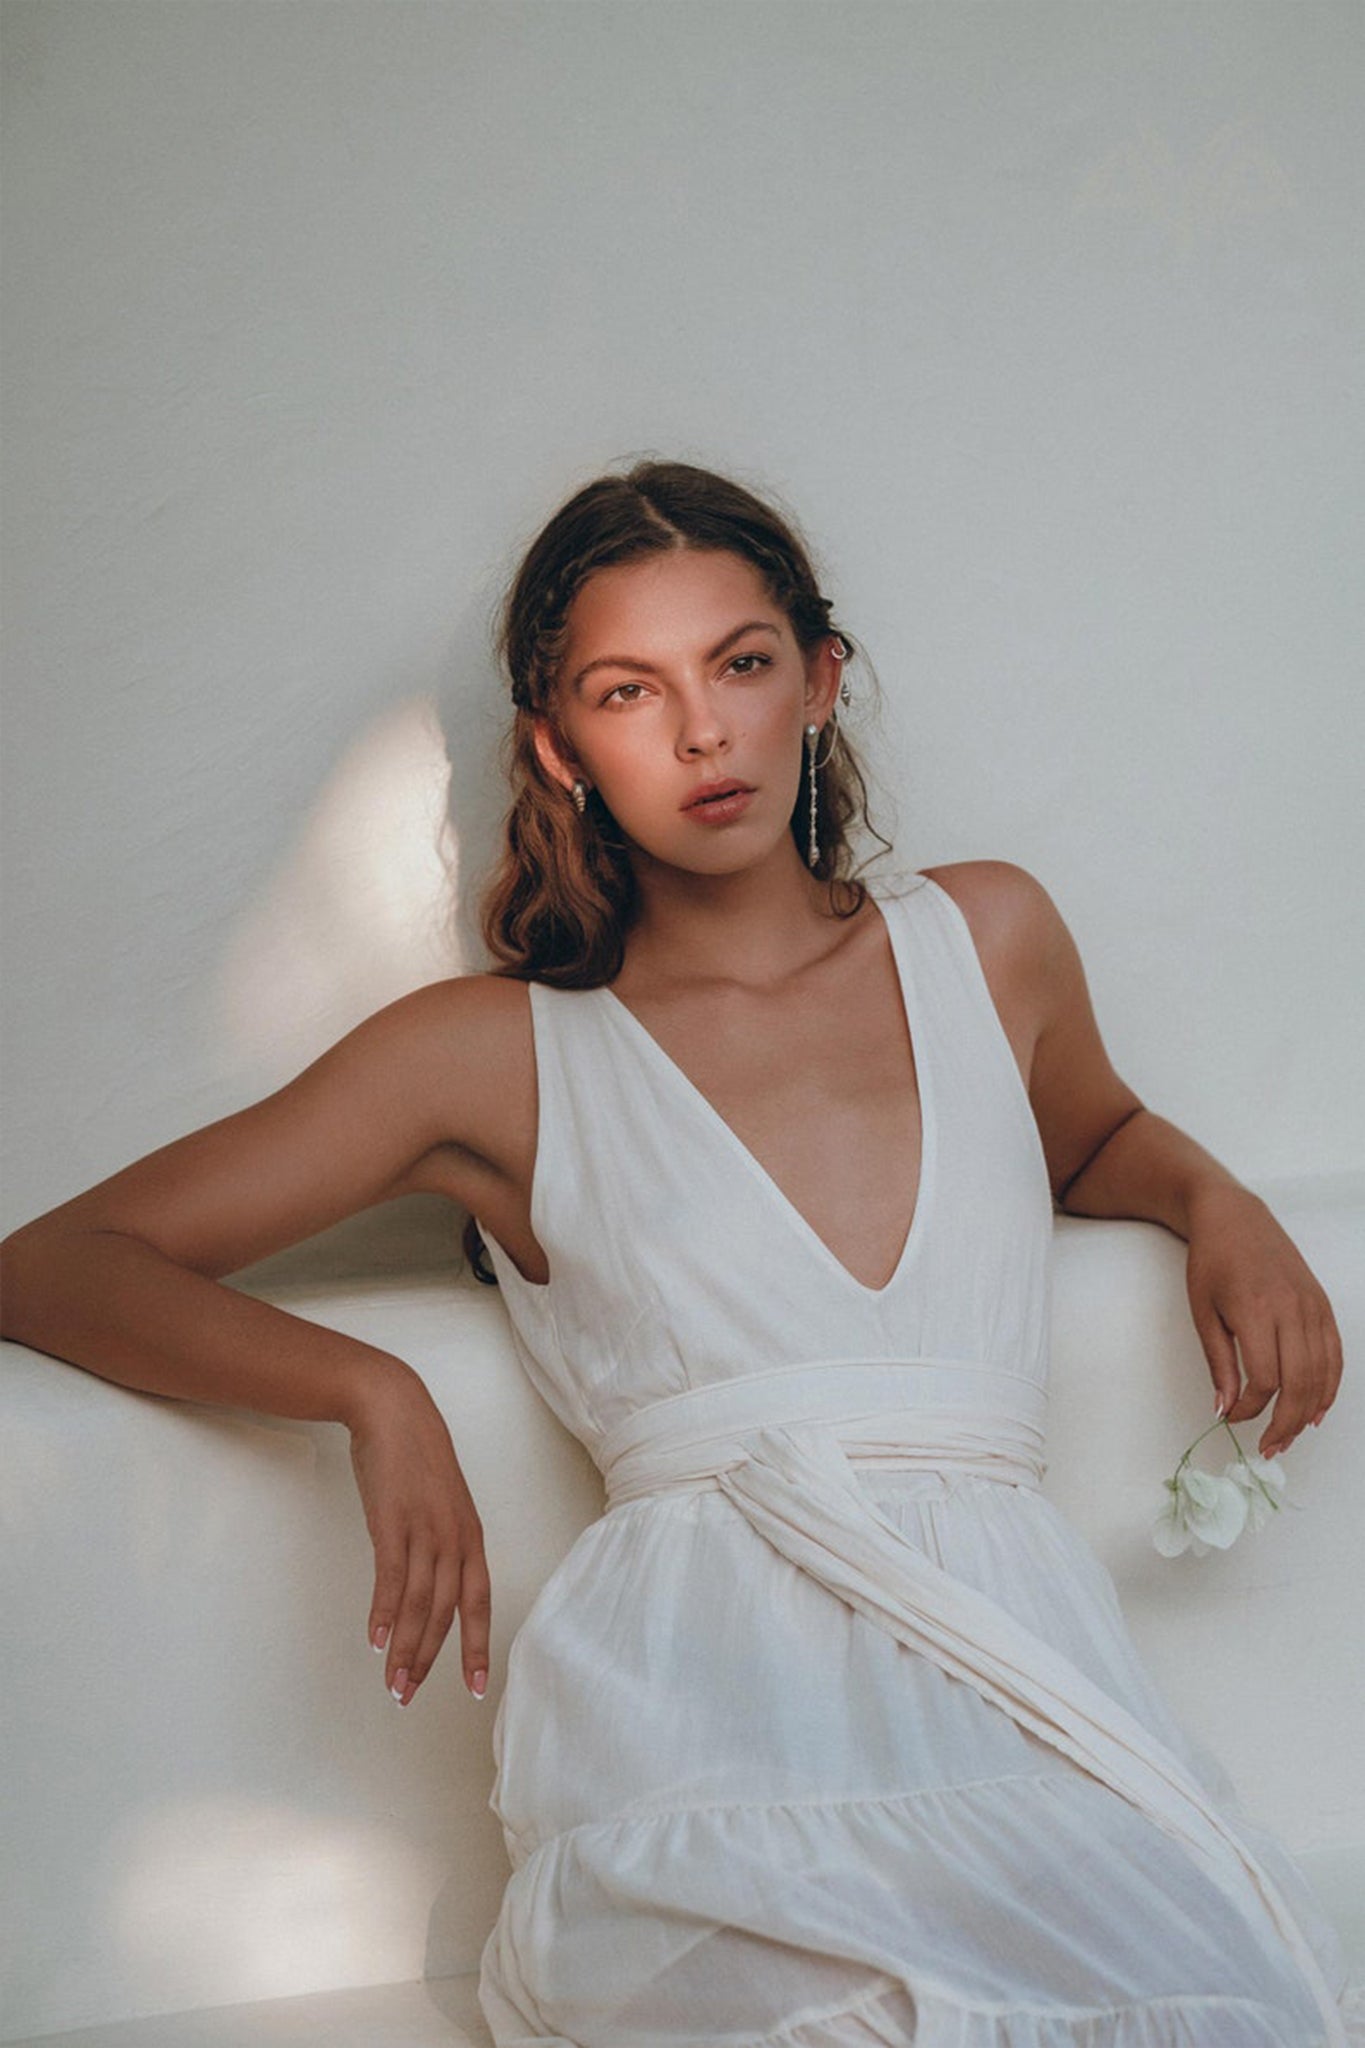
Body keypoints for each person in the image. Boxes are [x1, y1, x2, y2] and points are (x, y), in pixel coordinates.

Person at [1, 460, 1356, 2046]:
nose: (703, 732)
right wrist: (368, 1390)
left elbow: (1088, 1136)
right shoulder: (489, 1055)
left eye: (741, 662)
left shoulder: (983, 939)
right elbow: (56, 1261)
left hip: (1020, 1666)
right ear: (557, 749)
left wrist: (1220, 1206)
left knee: (1235, 2002)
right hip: (706, 1707)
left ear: (819, 680)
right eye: (626, 691)